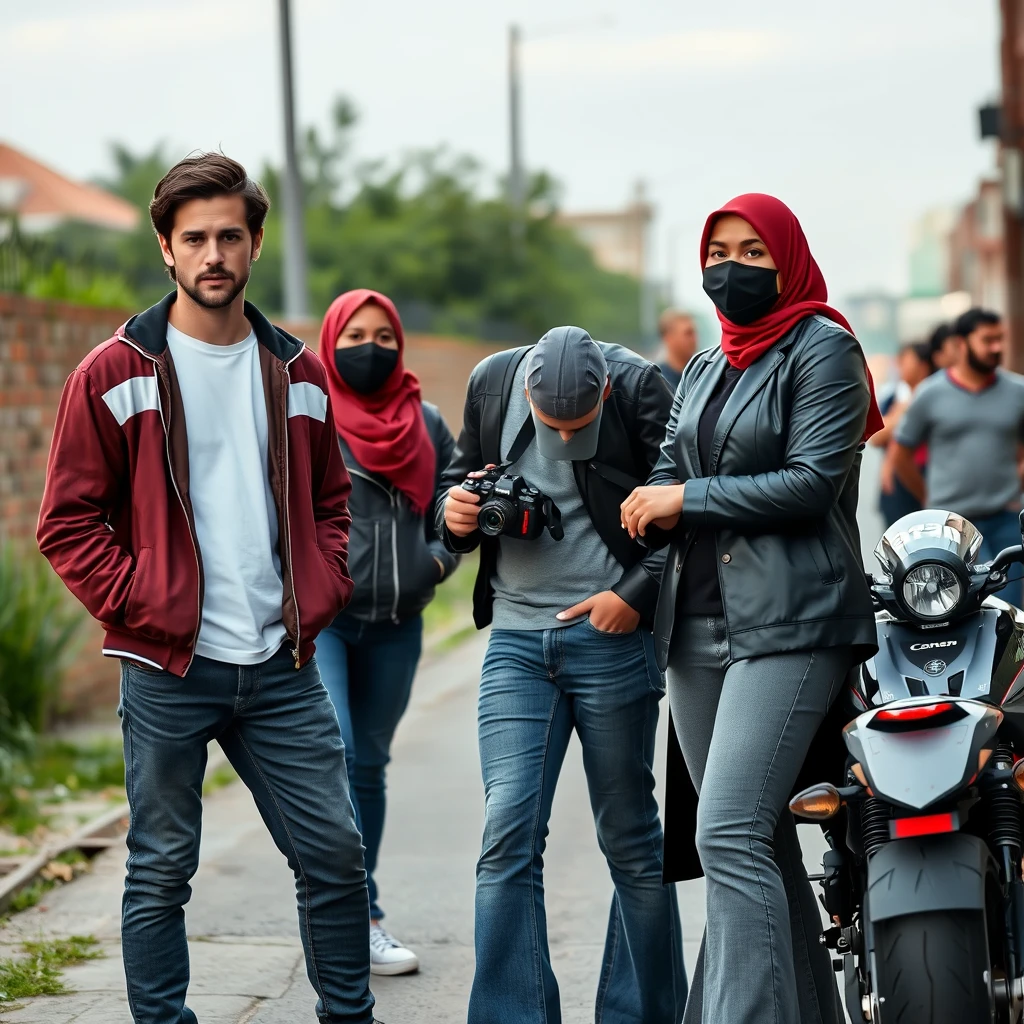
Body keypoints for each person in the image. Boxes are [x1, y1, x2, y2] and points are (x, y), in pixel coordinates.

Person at [36, 154, 380, 1024]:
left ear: (255, 244)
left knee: (336, 856)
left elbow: (333, 503)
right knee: (160, 869)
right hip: (167, 668)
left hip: (280, 662)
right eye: (195, 238)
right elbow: (66, 523)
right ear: (166, 249)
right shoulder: (114, 375)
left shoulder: (297, 373)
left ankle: (350, 1016)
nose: (213, 253)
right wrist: (145, 601)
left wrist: (321, 587)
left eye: (230, 235)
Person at [621, 193, 882, 1024]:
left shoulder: (824, 348)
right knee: (754, 839)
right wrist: (625, 585)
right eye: (718, 250)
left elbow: (811, 483)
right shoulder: (704, 367)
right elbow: (663, 477)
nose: (730, 268)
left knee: (726, 830)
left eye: (753, 252)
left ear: (789, 259)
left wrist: (687, 498)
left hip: (794, 620)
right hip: (695, 629)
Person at [438, 326, 686, 1024]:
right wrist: (454, 516)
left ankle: (645, 1014)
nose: (563, 437)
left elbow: (690, 524)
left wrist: (631, 599)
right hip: (518, 641)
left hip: (611, 639)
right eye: (551, 426)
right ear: (525, 393)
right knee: (507, 828)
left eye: (579, 427)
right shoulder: (490, 384)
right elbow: (454, 500)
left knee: (631, 835)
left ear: (604, 391)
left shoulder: (640, 387)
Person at [315, 288, 458, 976]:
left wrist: (438, 558)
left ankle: (357, 912)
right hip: (328, 625)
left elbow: (461, 500)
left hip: (400, 623)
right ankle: (351, 910)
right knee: (336, 755)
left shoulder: (425, 422)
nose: (368, 349)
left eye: (382, 336)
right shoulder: (309, 416)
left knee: (368, 766)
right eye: (353, 335)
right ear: (330, 340)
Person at [892, 307, 1024, 607]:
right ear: (962, 344)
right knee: (967, 609)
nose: (997, 348)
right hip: (953, 526)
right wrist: (928, 499)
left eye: (1000, 339)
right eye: (988, 340)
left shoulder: (1018, 390)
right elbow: (901, 454)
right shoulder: (930, 393)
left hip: (1007, 519)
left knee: (1012, 608)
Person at [870, 340, 933, 526]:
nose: (899, 365)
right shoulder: (895, 397)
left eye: (905, 359)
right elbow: (877, 436)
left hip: (927, 479)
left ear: (923, 365)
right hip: (898, 487)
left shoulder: (934, 397)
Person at [656, 307, 699, 390]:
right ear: (668, 337)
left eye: (694, 332)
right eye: (688, 333)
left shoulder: (703, 376)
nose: (694, 339)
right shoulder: (658, 382)